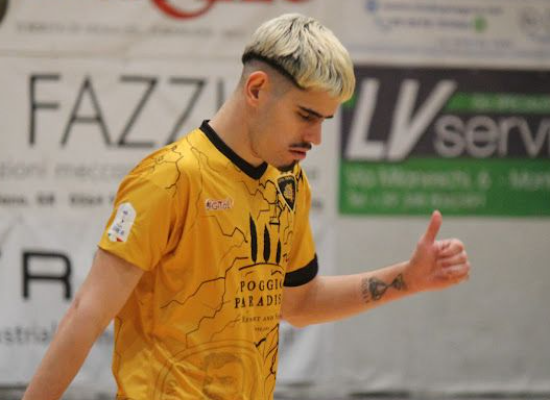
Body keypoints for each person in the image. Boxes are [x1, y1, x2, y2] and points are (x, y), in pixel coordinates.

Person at [22, 13, 470, 400]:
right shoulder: (170, 178)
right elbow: (87, 314)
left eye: (324, 121)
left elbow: (299, 302)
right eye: (306, 116)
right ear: (256, 89)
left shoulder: (289, 183)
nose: (316, 138)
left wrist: (406, 279)